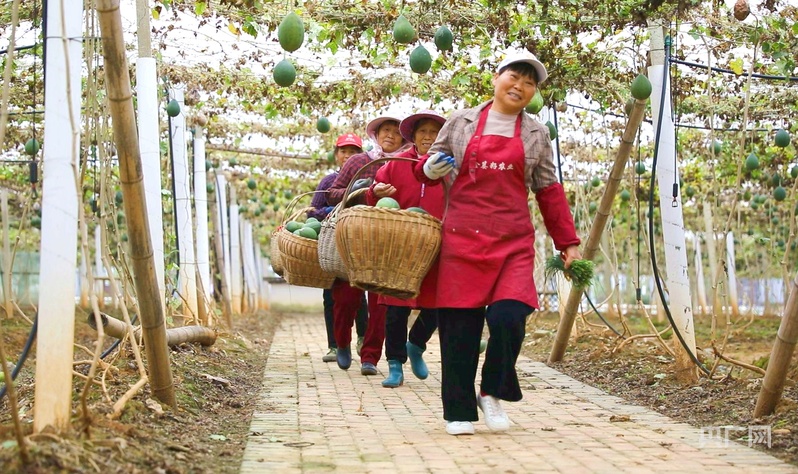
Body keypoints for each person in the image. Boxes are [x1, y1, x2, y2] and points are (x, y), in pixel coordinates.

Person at [414, 51, 582, 436]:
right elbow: (430, 163)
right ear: (497, 78)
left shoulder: (536, 133)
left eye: (529, 82)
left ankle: (492, 391)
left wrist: (567, 243)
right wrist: (429, 168)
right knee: (460, 328)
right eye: (514, 76)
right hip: (461, 238)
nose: (519, 86)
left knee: (509, 317)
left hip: (512, 241)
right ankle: (458, 409)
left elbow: (549, 190)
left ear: (533, 92)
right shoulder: (461, 121)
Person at [365, 110, 446, 388]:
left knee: (437, 302)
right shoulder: (396, 162)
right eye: (423, 131)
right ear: (413, 136)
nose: (428, 137)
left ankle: (417, 345)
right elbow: (373, 191)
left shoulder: (448, 165)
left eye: (434, 133)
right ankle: (395, 364)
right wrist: (376, 192)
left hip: (437, 242)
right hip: (400, 243)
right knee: (395, 306)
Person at [326, 116, 411, 375]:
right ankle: (342, 343)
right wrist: (362, 190)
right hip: (355, 236)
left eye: (396, 133)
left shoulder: (407, 164)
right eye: (386, 130)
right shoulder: (359, 161)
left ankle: (370, 357)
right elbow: (333, 193)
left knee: (381, 302)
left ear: (403, 139)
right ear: (376, 134)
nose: (390, 135)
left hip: (388, 240)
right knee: (345, 298)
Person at [308, 133, 369, 363]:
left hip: (357, 244)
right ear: (336, 155)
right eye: (344, 151)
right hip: (332, 246)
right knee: (330, 294)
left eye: (353, 152)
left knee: (359, 292)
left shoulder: (367, 180)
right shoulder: (328, 182)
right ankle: (334, 345)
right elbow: (313, 212)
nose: (348, 156)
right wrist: (330, 214)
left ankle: (362, 338)